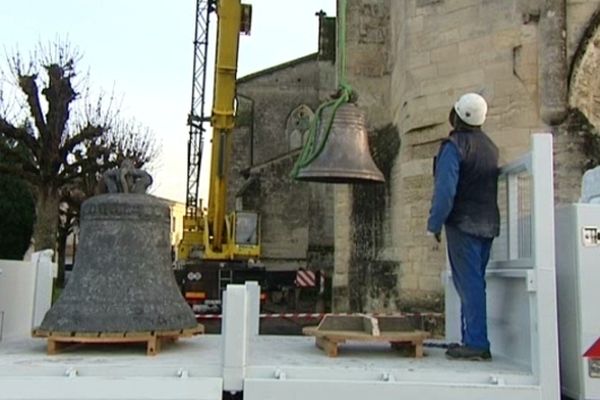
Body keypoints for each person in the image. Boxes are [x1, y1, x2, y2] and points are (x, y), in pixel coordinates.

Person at [427, 93, 500, 361]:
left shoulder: (454, 146)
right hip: (488, 223)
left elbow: (445, 191)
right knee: (473, 282)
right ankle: (470, 338)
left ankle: (477, 343)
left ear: (456, 116)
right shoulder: (491, 147)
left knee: (468, 284)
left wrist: (434, 224)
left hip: (464, 224)